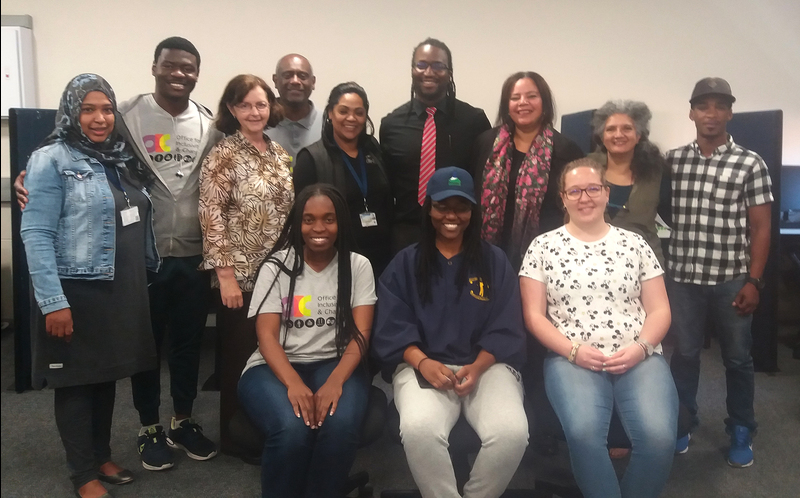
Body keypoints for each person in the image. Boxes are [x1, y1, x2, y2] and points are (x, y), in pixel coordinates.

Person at [14, 36, 223, 472]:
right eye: (171, 65)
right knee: (141, 350)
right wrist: (27, 176)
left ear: (198, 73)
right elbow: (73, 153)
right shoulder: (125, 115)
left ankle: (182, 420)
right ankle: (148, 429)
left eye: (189, 67)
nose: (179, 73)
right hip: (139, 264)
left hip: (190, 254)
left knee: (186, 344)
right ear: (155, 66)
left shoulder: (210, 123)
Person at [20, 74, 159, 498]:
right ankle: (82, 474)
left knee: (105, 377)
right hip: (75, 290)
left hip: (119, 289)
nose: (100, 118)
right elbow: (37, 233)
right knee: (76, 383)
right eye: (88, 109)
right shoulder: (51, 158)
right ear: (71, 112)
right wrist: (52, 302)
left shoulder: (120, 157)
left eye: (106, 109)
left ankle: (101, 455)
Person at [519, 157, 677, 498]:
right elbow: (534, 316)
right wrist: (572, 351)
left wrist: (641, 347)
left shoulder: (635, 244)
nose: (584, 197)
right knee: (584, 434)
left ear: (607, 193)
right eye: (574, 191)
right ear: (562, 198)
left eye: (593, 188)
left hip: (640, 353)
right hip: (571, 357)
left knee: (661, 437)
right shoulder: (542, 247)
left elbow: (660, 309)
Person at [373, 167, 528, 498]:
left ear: (473, 211)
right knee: (419, 430)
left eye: (461, 206)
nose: (451, 215)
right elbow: (390, 325)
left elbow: (507, 324)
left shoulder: (494, 261)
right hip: (424, 366)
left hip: (487, 366)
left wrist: (479, 365)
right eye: (443, 206)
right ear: (429, 208)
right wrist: (422, 361)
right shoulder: (406, 263)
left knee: (512, 433)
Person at [238, 184, 376, 498]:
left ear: (340, 222)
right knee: (291, 428)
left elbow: (361, 334)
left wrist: (336, 381)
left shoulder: (358, 266)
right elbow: (266, 336)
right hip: (272, 368)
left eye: (329, 219)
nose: (318, 228)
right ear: (298, 223)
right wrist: (293, 384)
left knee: (339, 426)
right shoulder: (277, 266)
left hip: (335, 363)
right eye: (309, 219)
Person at [667, 78, 773, 467]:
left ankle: (742, 426)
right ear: (691, 112)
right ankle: (682, 420)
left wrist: (754, 281)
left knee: (738, 359)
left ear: (730, 112)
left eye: (719, 106)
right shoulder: (673, 161)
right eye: (703, 106)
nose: (710, 113)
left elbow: (762, 227)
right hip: (682, 277)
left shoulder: (750, 162)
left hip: (731, 276)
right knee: (686, 354)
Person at [199, 74, 294, 455]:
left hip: (281, 275)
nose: (254, 112)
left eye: (260, 104)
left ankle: (271, 428)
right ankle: (237, 438)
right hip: (241, 277)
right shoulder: (223, 154)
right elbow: (211, 216)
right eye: (245, 105)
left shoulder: (279, 153)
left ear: (271, 107)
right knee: (241, 358)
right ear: (231, 110)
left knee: (275, 356)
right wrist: (225, 277)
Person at [380, 38, 491, 253]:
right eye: (421, 65)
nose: (428, 72)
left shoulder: (474, 121)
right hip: (406, 234)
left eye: (438, 66)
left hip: (458, 231)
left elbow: (482, 180)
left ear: (450, 73)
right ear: (412, 70)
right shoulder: (391, 124)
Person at [472, 71, 584, 270]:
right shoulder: (486, 143)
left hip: (546, 257)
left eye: (532, 96)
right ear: (507, 105)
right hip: (488, 255)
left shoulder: (567, 150)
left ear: (544, 102)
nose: (523, 102)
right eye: (515, 98)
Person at [293, 82, 393, 277]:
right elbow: (301, 219)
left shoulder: (373, 149)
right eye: (343, 111)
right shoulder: (312, 158)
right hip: (337, 261)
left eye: (359, 112)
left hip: (382, 259)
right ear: (330, 113)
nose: (351, 118)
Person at [588, 100, 670, 266]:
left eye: (627, 128)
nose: (618, 135)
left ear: (638, 135)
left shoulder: (657, 173)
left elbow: (670, 215)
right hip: (592, 263)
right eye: (610, 129)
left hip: (644, 265)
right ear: (602, 136)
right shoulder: (584, 169)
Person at [266, 53, 322, 161]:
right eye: (287, 75)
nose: (295, 81)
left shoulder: (329, 124)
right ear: (275, 80)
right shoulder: (258, 123)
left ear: (313, 82)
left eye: (302, 76)